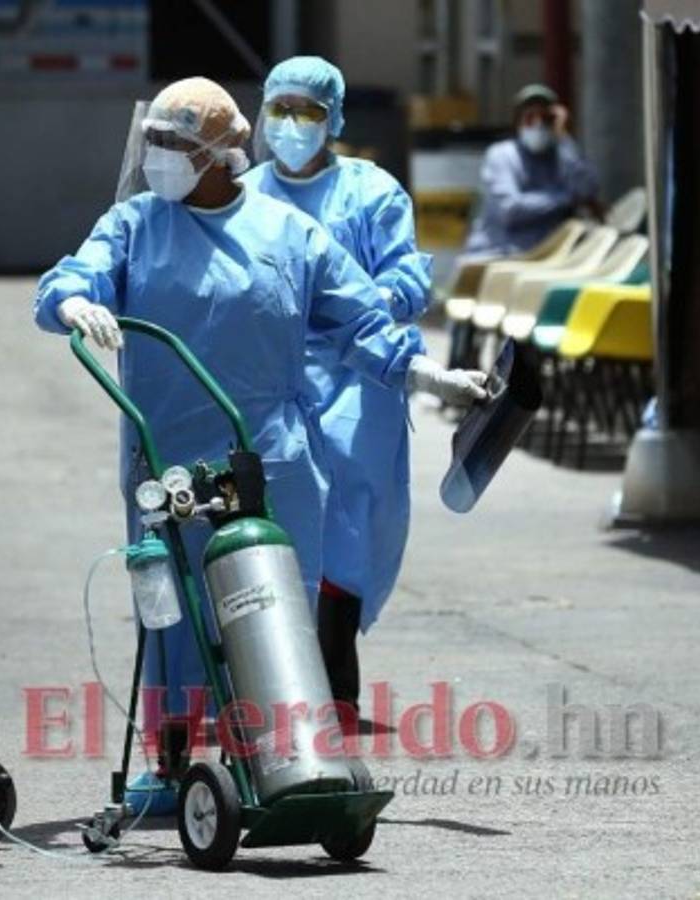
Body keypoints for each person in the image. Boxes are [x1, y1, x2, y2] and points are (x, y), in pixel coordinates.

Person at [33, 77, 486, 813]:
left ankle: (284, 759)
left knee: (274, 612)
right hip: (167, 458)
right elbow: (69, 279)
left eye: (174, 145)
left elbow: (363, 323)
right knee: (174, 617)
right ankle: (173, 766)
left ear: (218, 153)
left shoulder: (288, 234)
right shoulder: (134, 225)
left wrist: (432, 377)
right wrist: (75, 301)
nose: (158, 158)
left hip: (269, 456)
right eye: (153, 143)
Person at [241, 56, 431, 712]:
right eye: (279, 108)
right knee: (272, 521)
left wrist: (360, 301)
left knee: (348, 521)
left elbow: (407, 277)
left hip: (357, 378)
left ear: (335, 118)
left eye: (308, 111)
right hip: (269, 377)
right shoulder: (243, 193)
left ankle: (335, 681)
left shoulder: (371, 191)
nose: (291, 124)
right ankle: (279, 678)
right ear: (261, 113)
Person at [463, 83, 601, 257]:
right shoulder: (502, 155)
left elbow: (588, 189)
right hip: (498, 253)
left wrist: (563, 137)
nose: (538, 125)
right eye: (530, 117)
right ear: (518, 122)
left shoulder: (562, 155)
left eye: (545, 118)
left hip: (547, 255)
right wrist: (566, 198)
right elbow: (511, 209)